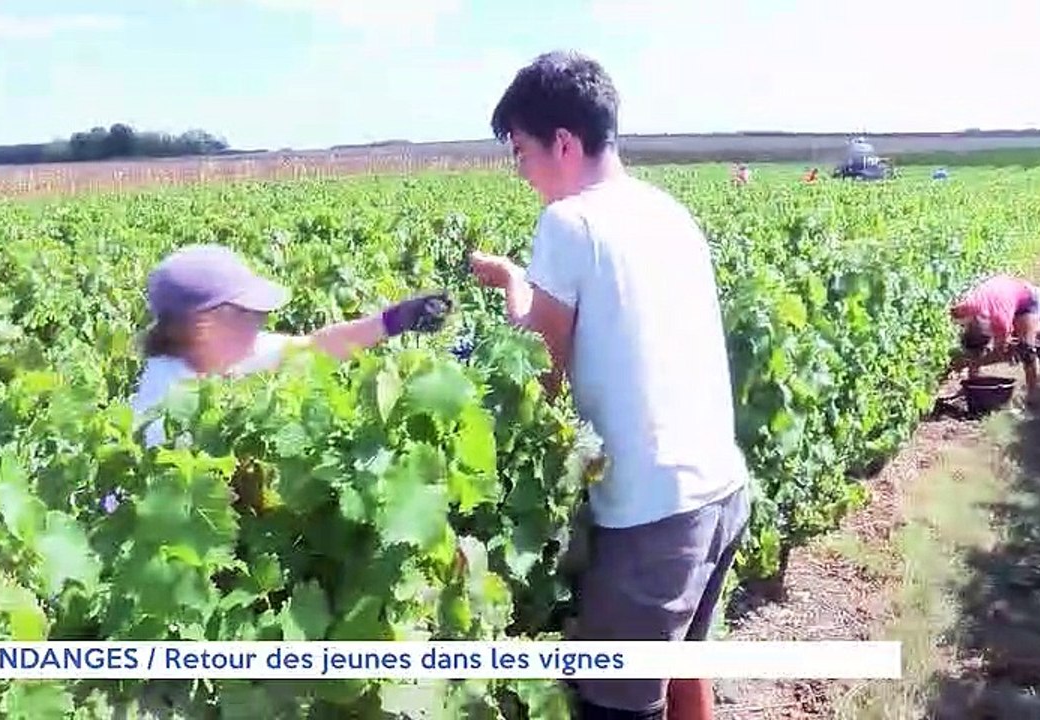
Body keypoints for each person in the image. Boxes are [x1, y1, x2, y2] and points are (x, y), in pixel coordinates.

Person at [469, 50, 752, 720]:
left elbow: (538, 370)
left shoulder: (570, 223)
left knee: (615, 704)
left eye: (522, 152)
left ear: (563, 143)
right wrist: (518, 284)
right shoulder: (667, 212)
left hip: (654, 518)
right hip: (721, 491)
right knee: (685, 669)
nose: (522, 172)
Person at [130, 243, 451, 447]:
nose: (260, 322)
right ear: (204, 326)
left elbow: (316, 347)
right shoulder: (163, 417)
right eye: (249, 314)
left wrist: (395, 319)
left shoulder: (224, 352)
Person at [950, 274, 1040, 402]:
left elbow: (1001, 352)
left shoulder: (1002, 324)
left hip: (1026, 297)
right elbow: (950, 312)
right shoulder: (966, 307)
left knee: (1026, 351)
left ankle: (1033, 397)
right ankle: (973, 384)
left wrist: (969, 362)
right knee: (975, 352)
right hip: (1000, 288)